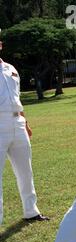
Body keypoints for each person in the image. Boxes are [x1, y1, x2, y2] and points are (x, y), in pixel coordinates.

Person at [0, 29, 48, 225]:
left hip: (17, 123)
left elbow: (17, 98)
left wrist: (25, 123)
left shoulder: (11, 68)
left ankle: (31, 211)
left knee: (25, 171)